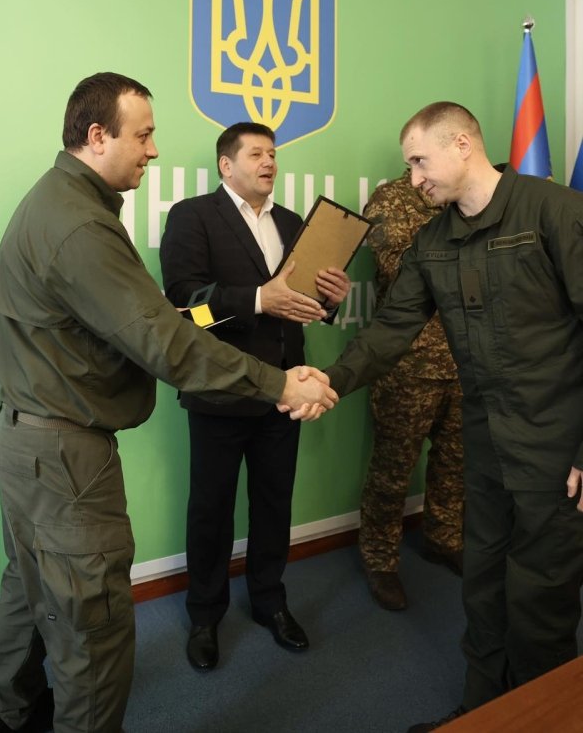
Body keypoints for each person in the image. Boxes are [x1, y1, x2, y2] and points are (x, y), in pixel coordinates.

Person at [0, 74, 337, 733]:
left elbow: (145, 322)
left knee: (31, 589)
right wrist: (283, 384)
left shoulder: (64, 201)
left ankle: (7, 712)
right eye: (142, 135)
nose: (152, 150)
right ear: (98, 136)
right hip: (66, 454)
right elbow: (169, 336)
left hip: (31, 439)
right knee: (95, 629)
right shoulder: (85, 223)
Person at [323, 102, 583, 733]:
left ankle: (539, 719)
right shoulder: (433, 241)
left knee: (541, 596)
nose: (413, 179)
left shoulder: (554, 211)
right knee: (483, 581)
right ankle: (484, 709)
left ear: (463, 144)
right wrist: (327, 382)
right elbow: (391, 329)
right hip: (485, 438)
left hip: (555, 444)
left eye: (420, 161)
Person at [159, 121, 350, 671]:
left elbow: (304, 302)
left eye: (273, 154)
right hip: (219, 393)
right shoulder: (193, 216)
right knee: (211, 509)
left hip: (285, 392)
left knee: (274, 503)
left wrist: (332, 299)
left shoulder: (292, 223)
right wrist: (259, 300)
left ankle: (270, 601)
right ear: (227, 164)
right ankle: (205, 614)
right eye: (257, 154)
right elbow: (185, 305)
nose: (269, 162)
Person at [360, 169, 464, 612]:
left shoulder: (462, 196)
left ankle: (444, 537)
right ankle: (380, 559)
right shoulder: (392, 200)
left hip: (463, 360)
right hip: (409, 363)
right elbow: (401, 269)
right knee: (392, 470)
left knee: (455, 462)